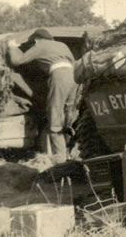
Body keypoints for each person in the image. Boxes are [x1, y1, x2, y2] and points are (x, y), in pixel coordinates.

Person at [7, 28, 77, 163]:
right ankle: (71, 152)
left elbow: (17, 61)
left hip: (59, 75)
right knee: (69, 115)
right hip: (73, 78)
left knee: (54, 115)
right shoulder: (62, 45)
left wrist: (12, 46)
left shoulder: (40, 45)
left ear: (36, 39)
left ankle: (60, 158)